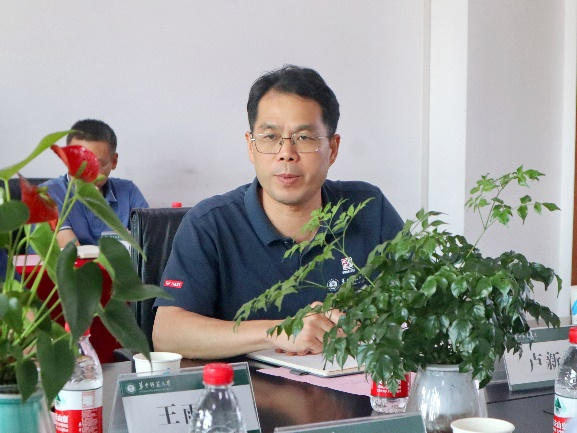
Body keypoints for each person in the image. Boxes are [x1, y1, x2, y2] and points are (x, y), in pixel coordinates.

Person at [153, 65, 403, 359]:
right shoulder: (210, 224)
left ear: (333, 149)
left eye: (304, 138)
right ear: (251, 147)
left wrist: (367, 323)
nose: (286, 153)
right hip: (249, 388)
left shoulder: (369, 209)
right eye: (270, 137)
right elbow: (167, 334)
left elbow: (422, 306)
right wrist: (280, 331)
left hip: (355, 383)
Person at [42, 119, 148, 247]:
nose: (86, 173)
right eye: (78, 163)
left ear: (114, 161)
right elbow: (72, 253)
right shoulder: (47, 194)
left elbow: (150, 242)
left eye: (96, 165)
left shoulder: (128, 192)